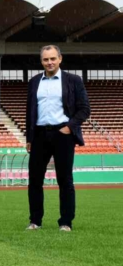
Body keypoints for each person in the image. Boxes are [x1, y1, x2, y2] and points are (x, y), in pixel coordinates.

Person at [25, 45, 90, 232]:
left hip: (63, 134)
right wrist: (29, 137)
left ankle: (66, 222)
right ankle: (35, 221)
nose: (49, 62)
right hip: (39, 134)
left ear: (60, 59)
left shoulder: (73, 80)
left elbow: (84, 109)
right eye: (46, 59)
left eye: (53, 58)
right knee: (35, 180)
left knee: (65, 180)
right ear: (41, 61)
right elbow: (30, 111)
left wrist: (69, 127)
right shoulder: (35, 81)